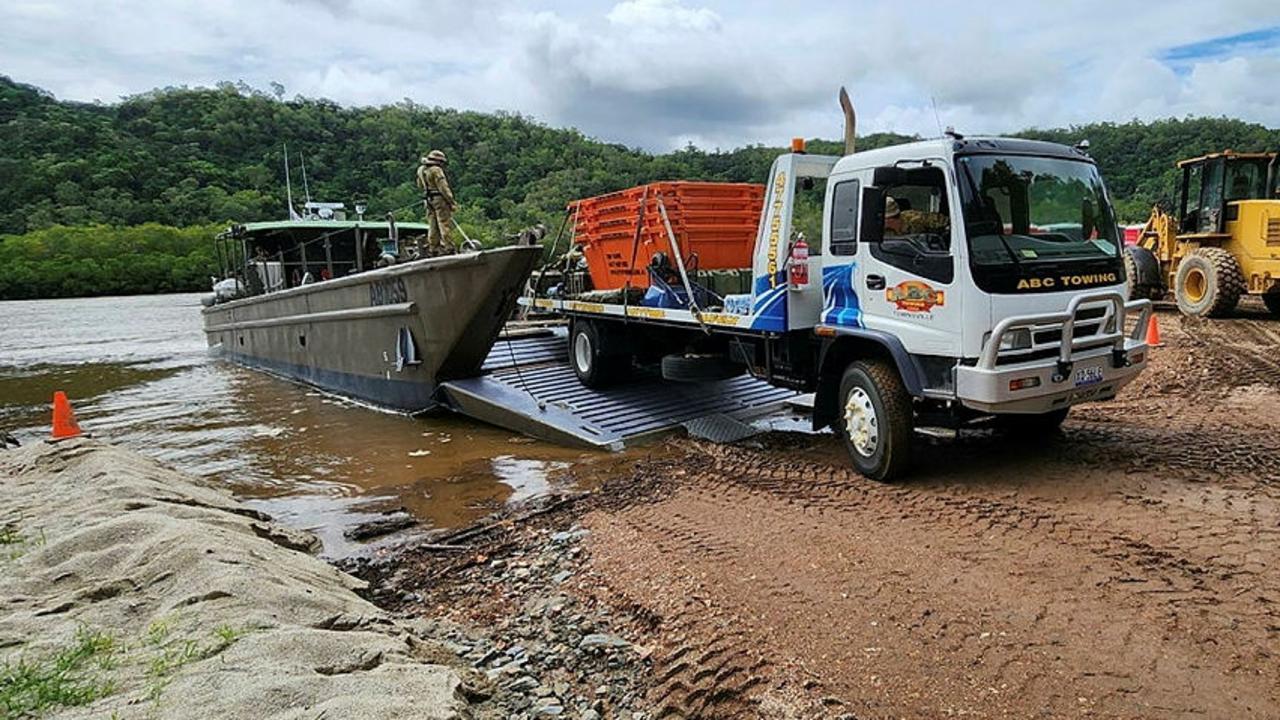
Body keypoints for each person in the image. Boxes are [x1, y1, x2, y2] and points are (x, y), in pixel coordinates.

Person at [415, 150, 457, 257]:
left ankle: (433, 248)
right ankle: (449, 247)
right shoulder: (436, 170)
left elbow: (419, 185)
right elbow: (443, 188)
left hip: (428, 199)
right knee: (444, 223)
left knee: (432, 225)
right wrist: (451, 202)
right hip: (439, 198)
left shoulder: (421, 170)